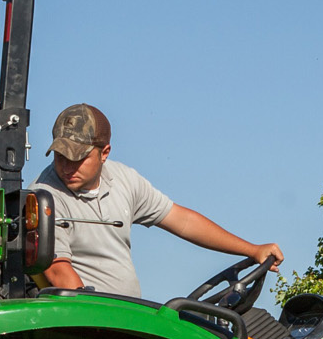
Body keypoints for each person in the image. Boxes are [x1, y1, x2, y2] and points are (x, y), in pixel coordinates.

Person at [29, 104, 284, 296]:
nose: (67, 166)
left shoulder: (123, 180)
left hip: (127, 319)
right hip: (88, 324)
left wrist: (252, 250)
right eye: (61, 156)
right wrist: (100, 322)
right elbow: (58, 271)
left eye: (78, 158)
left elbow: (182, 221)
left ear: (104, 152)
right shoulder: (44, 198)